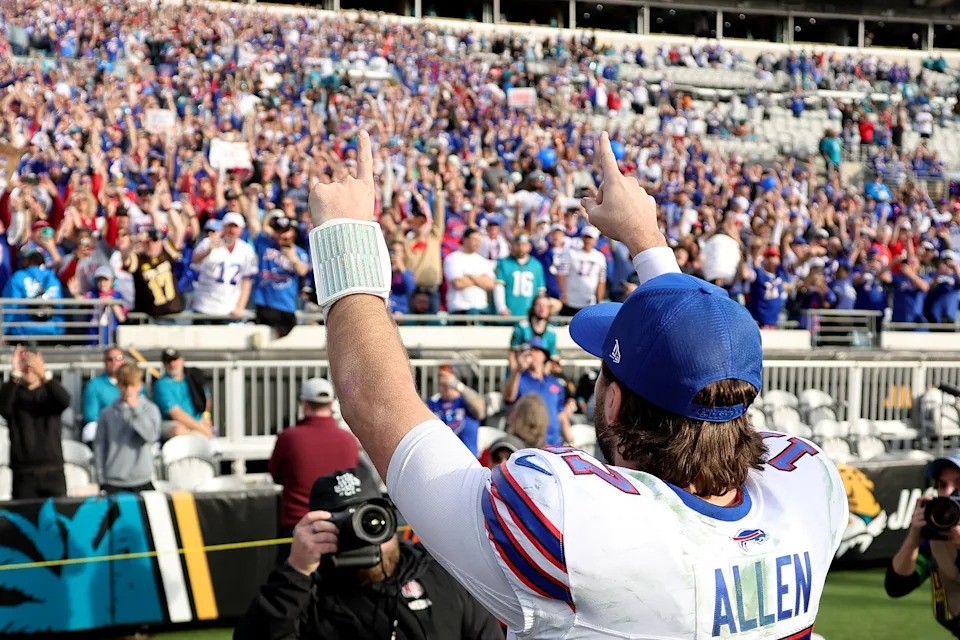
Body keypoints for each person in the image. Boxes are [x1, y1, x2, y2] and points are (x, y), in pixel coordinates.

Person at [307, 130, 846, 638]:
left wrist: (344, 238)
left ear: (613, 403)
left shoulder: (569, 522)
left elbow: (375, 402)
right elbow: (705, 375)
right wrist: (647, 241)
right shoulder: (808, 490)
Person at [235, 466, 503, 640]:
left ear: (390, 519)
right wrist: (296, 570)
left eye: (370, 521)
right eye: (344, 526)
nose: (360, 537)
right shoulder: (307, 595)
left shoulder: (440, 574)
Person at [269, 378, 359, 547]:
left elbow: (276, 476)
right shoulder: (348, 440)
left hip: (298, 526)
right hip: (338, 526)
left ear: (304, 404)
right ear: (332, 404)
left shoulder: (288, 438)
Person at [886, 452, 960, 637]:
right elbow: (897, 586)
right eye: (942, 485)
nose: (949, 492)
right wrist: (914, 537)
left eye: (959, 484)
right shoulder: (938, 535)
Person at [0, 346, 70, 499]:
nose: (29, 368)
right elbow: (3, 406)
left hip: (53, 470)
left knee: (55, 520)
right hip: (23, 473)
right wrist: (16, 373)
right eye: (25, 364)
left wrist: (44, 374)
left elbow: (64, 400)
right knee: (24, 521)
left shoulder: (50, 393)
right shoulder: (13, 394)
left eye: (32, 363)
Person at [93, 363, 162, 494]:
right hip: (113, 481)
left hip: (142, 480)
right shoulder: (107, 413)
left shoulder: (150, 409)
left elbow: (151, 436)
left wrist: (135, 411)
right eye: (124, 385)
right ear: (118, 385)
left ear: (139, 385)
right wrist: (101, 479)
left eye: (132, 385)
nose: (128, 390)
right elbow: (99, 447)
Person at [502, 339, 572, 447]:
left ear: (544, 356)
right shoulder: (518, 378)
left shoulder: (554, 382)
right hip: (526, 444)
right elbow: (509, 398)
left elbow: (561, 415)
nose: (531, 353)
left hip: (553, 445)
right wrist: (518, 370)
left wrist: (571, 441)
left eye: (535, 350)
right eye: (529, 350)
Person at [190, 211, 259, 320]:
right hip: (204, 305)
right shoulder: (208, 242)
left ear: (241, 230)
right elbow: (194, 261)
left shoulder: (246, 250)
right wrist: (208, 251)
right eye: (228, 226)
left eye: (235, 227)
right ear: (223, 227)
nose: (231, 230)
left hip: (229, 308)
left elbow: (247, 280)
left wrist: (240, 306)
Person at [251, 215, 311, 338]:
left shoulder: (299, 253)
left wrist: (293, 259)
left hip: (286, 305)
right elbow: (252, 222)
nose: (282, 235)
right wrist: (252, 199)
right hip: (264, 302)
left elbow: (303, 271)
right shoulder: (265, 243)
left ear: (293, 233)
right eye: (278, 231)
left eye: (285, 232)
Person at [1, 249, 63, 339]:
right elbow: (59, 306)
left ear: (28, 260)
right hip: (51, 331)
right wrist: (59, 330)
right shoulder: (53, 279)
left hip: (23, 331)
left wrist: (4, 331)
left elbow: (10, 305)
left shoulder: (18, 276)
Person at [152, 348, 213, 439]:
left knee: (208, 437)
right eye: (168, 361)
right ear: (164, 364)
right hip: (174, 423)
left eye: (175, 360)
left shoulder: (193, 377)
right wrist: (202, 429)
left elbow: (205, 398)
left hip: (196, 421)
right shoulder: (162, 384)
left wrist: (206, 416)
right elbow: (176, 414)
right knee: (179, 431)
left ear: (181, 360)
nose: (172, 364)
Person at [124, 227, 185, 317]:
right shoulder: (138, 259)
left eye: (155, 241)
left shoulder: (166, 253)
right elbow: (125, 258)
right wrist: (135, 241)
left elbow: (180, 230)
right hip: (150, 317)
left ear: (161, 242)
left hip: (174, 314)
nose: (151, 245)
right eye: (147, 242)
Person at [425, 366, 485, 457]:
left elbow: (481, 412)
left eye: (449, 379)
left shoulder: (466, 402)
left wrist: (456, 384)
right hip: (442, 459)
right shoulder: (432, 404)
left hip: (468, 460)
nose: (446, 384)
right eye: (442, 380)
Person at [81, 347, 136, 444]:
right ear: (105, 362)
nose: (114, 362)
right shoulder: (94, 384)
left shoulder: (134, 383)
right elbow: (91, 416)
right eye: (110, 359)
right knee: (90, 430)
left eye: (118, 358)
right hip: (105, 428)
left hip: (130, 425)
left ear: (124, 360)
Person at [442, 228, 495, 315]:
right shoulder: (453, 258)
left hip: (481, 308)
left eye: (479, 240)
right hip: (460, 309)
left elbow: (490, 284)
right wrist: (481, 279)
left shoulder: (483, 261)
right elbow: (458, 283)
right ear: (465, 240)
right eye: (474, 239)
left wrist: (470, 276)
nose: (477, 243)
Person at [558, 225, 607, 315]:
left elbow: (601, 280)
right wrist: (564, 294)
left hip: (589, 301)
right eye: (586, 237)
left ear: (595, 240)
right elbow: (561, 274)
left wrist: (599, 299)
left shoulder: (600, 257)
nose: (588, 241)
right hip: (571, 300)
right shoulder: (571, 253)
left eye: (590, 238)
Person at [494, 233, 546, 317]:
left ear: (529, 246)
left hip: (529, 314)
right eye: (518, 244)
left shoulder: (536, 265)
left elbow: (540, 292)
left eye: (524, 245)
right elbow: (499, 287)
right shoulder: (503, 263)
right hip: (508, 313)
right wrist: (501, 307)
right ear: (513, 245)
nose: (521, 248)